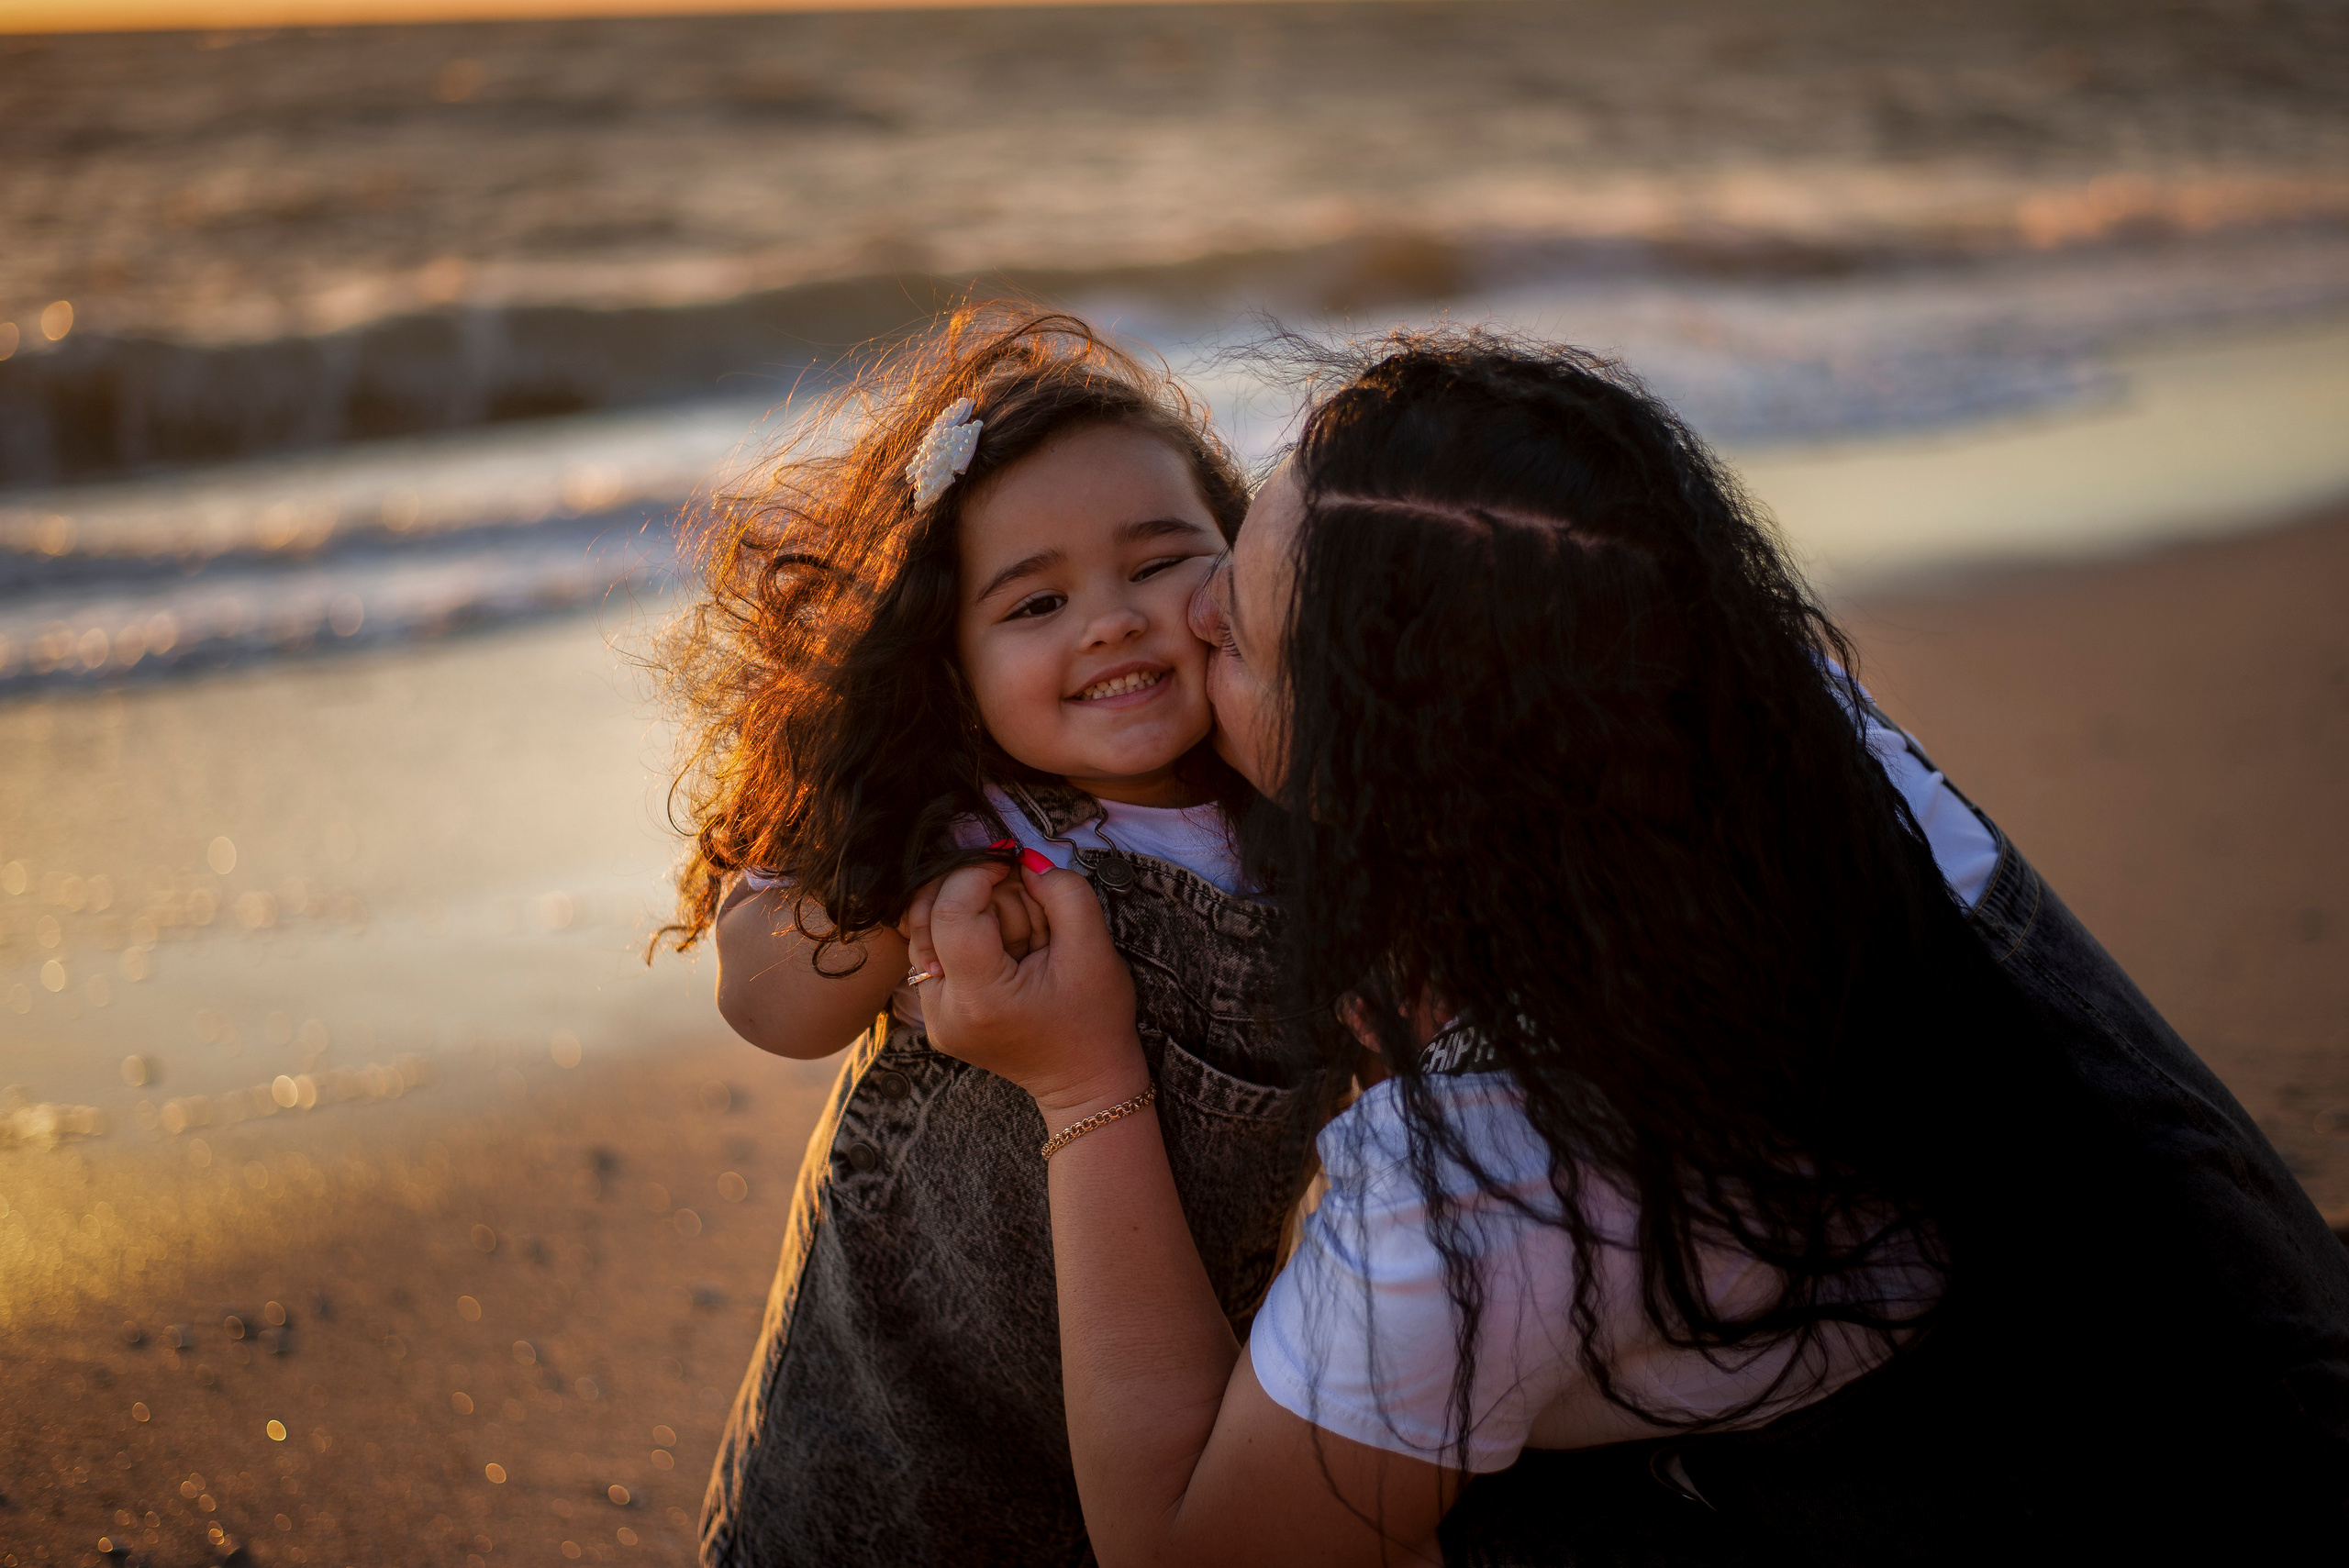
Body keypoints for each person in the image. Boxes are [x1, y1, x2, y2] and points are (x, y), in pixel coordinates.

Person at [904, 328, 2349, 1564]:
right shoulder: (1762, 715)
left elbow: (1189, 1549)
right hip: (2221, 1347)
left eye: (1239, 640)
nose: (1190, 606)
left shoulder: (1488, 1173)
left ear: (1397, 784)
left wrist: (1085, 1078)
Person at [653, 309, 1341, 1565]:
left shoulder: (1298, 815)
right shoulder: (964, 815)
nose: (1111, 619)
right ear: (949, 664)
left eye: (1158, 561)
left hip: (1156, 1416)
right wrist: (890, 905)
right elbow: (767, 1003)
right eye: (1036, 602)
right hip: (884, 1447)